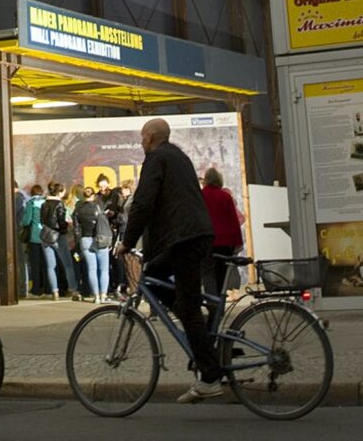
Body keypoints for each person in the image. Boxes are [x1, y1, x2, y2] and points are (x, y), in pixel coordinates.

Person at [115, 117, 223, 403]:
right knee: (154, 275)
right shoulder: (178, 155)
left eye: (141, 137)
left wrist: (126, 241)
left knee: (186, 308)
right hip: (192, 235)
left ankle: (210, 376)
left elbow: (143, 202)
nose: (140, 142)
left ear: (151, 137)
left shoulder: (156, 158)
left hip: (183, 238)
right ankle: (197, 322)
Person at [200, 167, 244, 296]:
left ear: (206, 181)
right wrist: (238, 243)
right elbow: (233, 221)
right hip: (226, 243)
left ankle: (212, 304)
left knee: (208, 274)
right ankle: (219, 305)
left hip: (207, 241)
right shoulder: (226, 197)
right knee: (222, 275)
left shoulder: (201, 196)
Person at [41, 182, 79, 300]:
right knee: (67, 264)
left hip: (45, 236)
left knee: (50, 266)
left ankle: (54, 291)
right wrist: (65, 228)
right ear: (60, 192)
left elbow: (41, 220)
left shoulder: (44, 204)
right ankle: (73, 289)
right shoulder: (60, 204)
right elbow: (61, 221)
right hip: (58, 236)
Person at [74, 185, 111, 302]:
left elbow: (76, 230)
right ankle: (103, 294)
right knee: (104, 269)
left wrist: (77, 245)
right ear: (94, 195)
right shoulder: (99, 207)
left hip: (85, 239)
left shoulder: (78, 210)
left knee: (92, 269)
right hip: (100, 239)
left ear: (83, 196)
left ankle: (96, 296)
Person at [20, 184, 47, 296]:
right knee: (45, 263)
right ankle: (47, 287)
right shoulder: (45, 202)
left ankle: (36, 288)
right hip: (47, 237)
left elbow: (26, 221)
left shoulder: (31, 204)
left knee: (35, 264)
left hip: (35, 237)